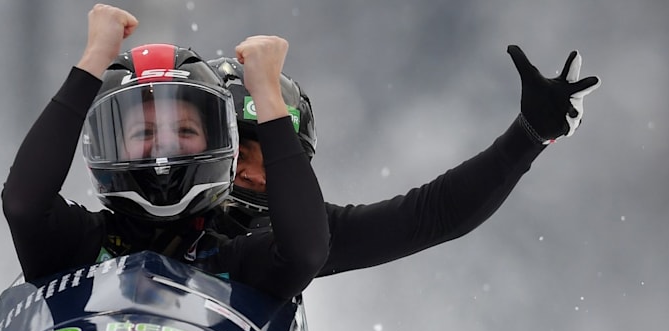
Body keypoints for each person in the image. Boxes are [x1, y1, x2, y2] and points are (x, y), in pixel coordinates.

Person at [2, 3, 330, 301]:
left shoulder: (234, 257)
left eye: (184, 131)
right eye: (144, 133)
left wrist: (267, 94)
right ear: (108, 146)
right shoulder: (76, 243)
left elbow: (305, 252)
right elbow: (23, 204)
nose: (163, 145)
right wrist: (94, 60)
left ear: (215, 142)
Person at [207, 46, 601, 276]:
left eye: (274, 159)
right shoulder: (147, 196)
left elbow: (435, 214)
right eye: (239, 153)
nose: (255, 176)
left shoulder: (310, 233)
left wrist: (529, 135)